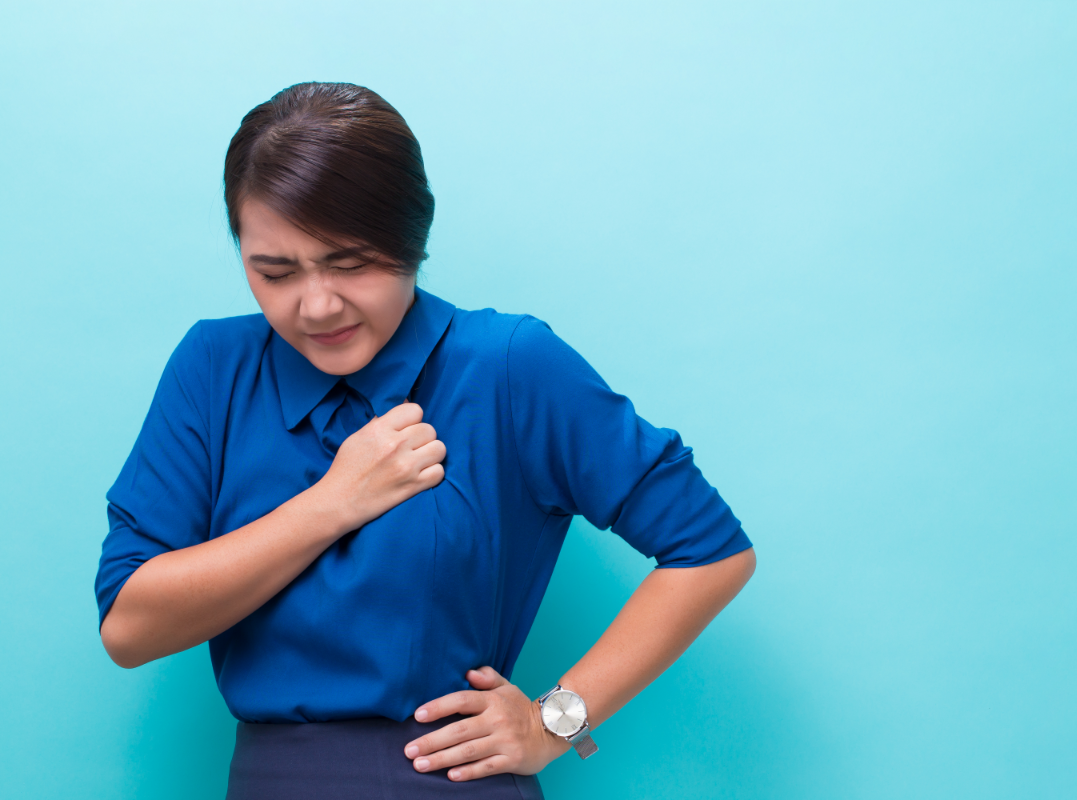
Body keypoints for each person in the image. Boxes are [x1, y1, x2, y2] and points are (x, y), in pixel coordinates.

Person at [94, 81, 756, 799]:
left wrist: (554, 723)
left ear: (412, 235)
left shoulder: (508, 365)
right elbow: (130, 627)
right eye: (274, 272)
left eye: (349, 263)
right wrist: (333, 504)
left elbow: (712, 550)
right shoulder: (213, 368)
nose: (316, 306)